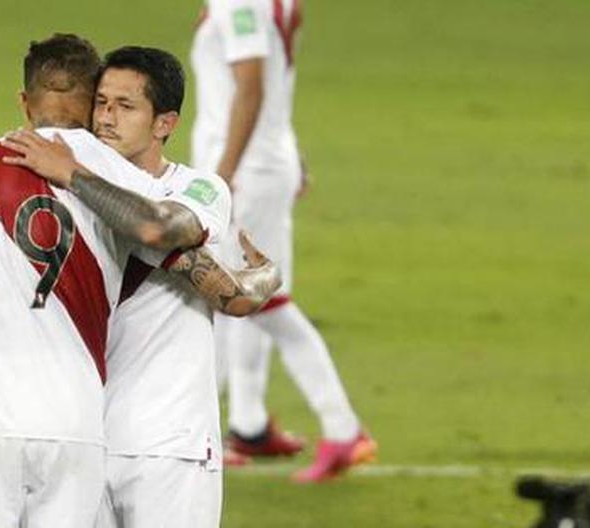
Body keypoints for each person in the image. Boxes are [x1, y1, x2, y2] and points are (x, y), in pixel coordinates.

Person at [0, 34, 237, 527]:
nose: (108, 117)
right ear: (87, 100)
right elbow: (178, 248)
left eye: (123, 105)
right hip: (75, 425)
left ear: (23, 99)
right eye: (103, 103)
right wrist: (249, 286)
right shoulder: (119, 180)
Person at [191, 0, 376, 481]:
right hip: (269, 161)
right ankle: (247, 424)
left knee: (247, 296)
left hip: (246, 170)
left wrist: (225, 172)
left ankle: (341, 426)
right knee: (246, 293)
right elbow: (275, 85)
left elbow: (251, 86)